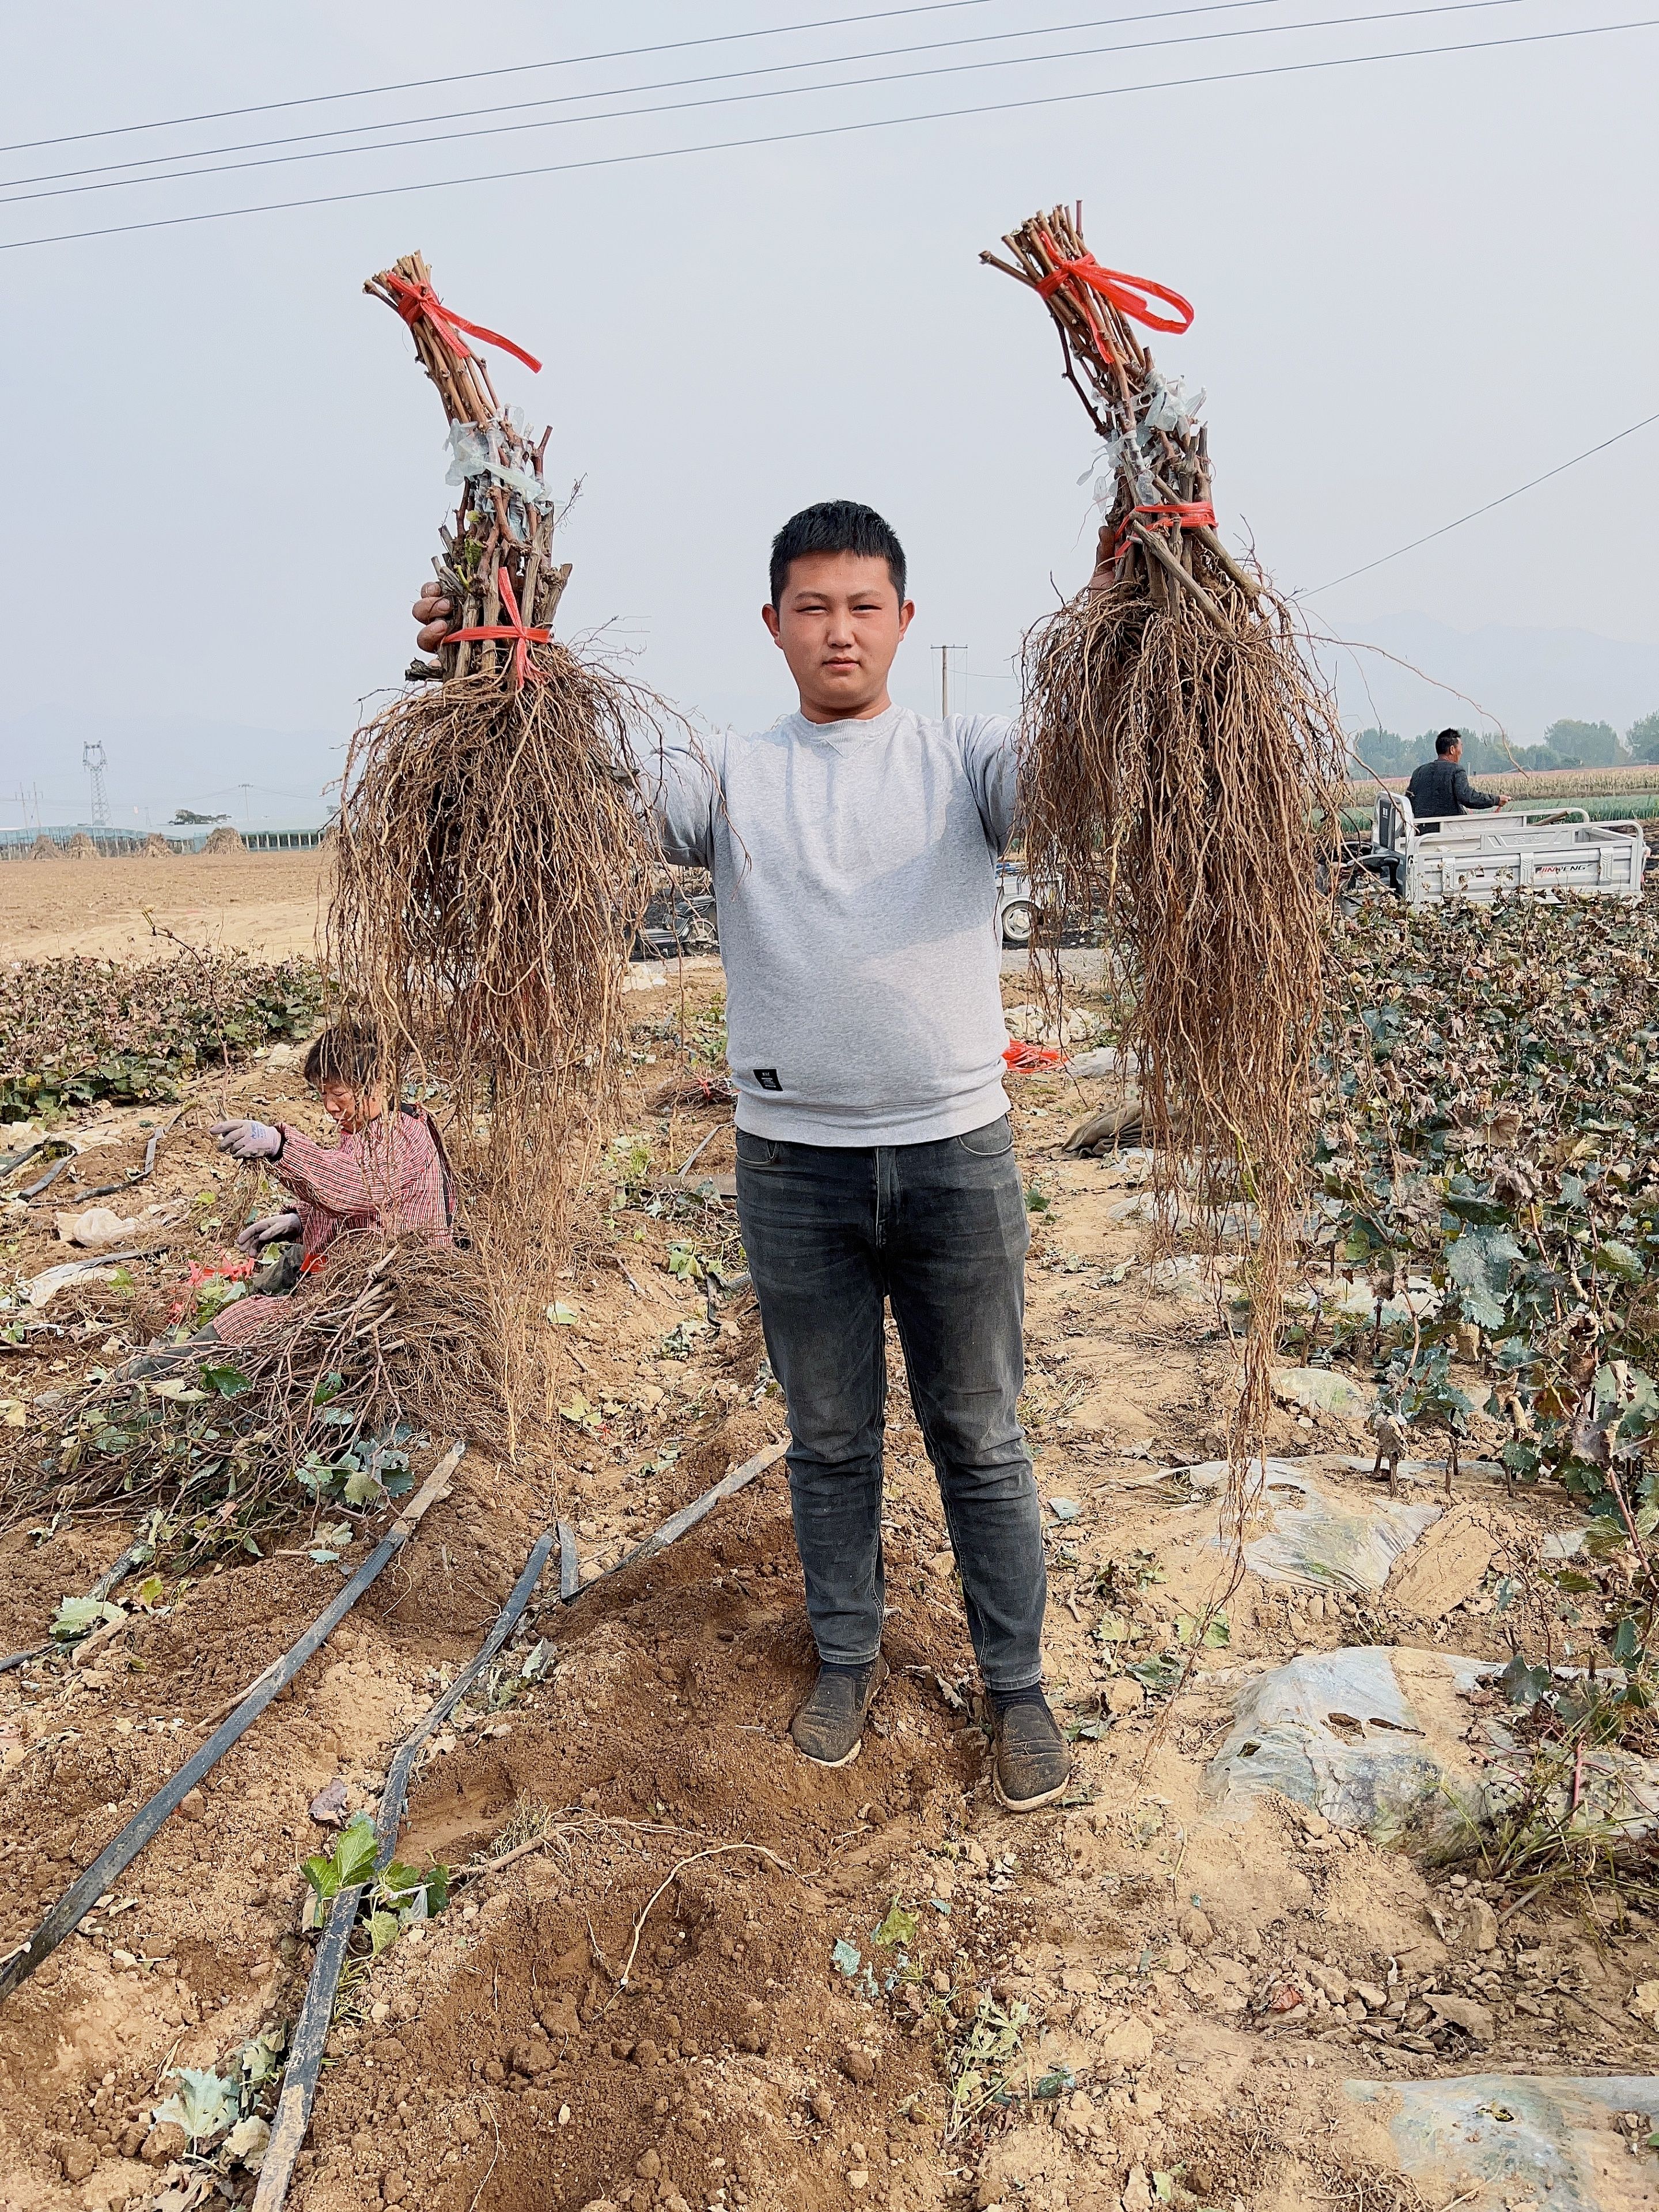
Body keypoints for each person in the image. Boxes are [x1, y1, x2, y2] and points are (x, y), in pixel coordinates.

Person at [415, 500, 1082, 1811]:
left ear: (903, 618)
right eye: (813, 606)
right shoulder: (727, 773)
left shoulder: (968, 757)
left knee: (983, 1436)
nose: (840, 628)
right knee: (828, 1438)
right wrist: (487, 666)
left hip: (955, 1153)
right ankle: (845, 1659)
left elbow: (1085, 774)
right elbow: (578, 793)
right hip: (794, 1171)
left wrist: (1137, 640)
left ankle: (1019, 1689)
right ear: (773, 624)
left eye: (863, 605)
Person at [203, 1024, 454, 1349]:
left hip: (387, 1288)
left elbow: (351, 1186)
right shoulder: (366, 1128)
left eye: (339, 1094)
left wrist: (281, 1146)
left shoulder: (401, 1135)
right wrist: (299, 1221)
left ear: (377, 1084)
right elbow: (362, 1207)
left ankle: (155, 1369)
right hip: (354, 1266)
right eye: (323, 1094)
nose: (330, 1107)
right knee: (292, 1261)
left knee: (245, 1322)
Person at [1405, 729, 1507, 825]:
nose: (1462, 752)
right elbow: (1468, 798)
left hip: (1421, 832)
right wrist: (1496, 800)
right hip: (1450, 830)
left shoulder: (1419, 772)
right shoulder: (1456, 770)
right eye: (1461, 747)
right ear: (1452, 750)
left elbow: (1409, 802)